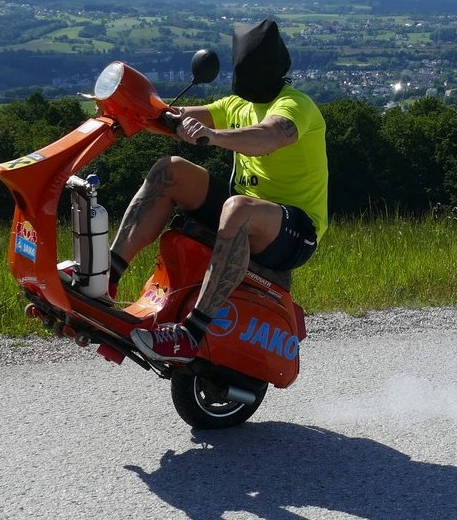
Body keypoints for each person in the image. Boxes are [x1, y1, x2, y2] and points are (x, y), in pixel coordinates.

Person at [112, 19, 329, 363]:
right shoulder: (234, 105)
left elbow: (267, 137)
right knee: (169, 170)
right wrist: (129, 111)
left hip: (295, 231)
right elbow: (176, 118)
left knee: (238, 208)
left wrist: (213, 136)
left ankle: (191, 333)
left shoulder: (294, 106)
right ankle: (107, 278)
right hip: (244, 211)